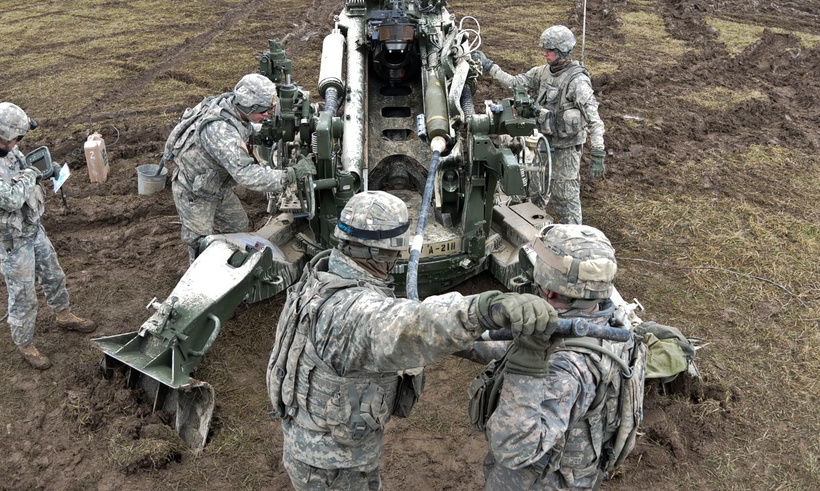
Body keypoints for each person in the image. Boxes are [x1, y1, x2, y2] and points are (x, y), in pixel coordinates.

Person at [266, 190, 558, 491]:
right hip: (333, 466)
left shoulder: (324, 274)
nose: (399, 258)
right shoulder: (354, 314)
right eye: (396, 252)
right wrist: (484, 308)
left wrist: (502, 347)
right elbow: (413, 327)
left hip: (321, 446)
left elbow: (402, 327)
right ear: (379, 253)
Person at [477, 223, 640, 490]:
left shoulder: (563, 366)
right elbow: (505, 349)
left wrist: (527, 361)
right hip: (578, 471)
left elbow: (514, 448)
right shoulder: (610, 324)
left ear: (550, 288)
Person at [0, 102, 96, 371]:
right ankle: (25, 344)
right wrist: (33, 174)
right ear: (5, 136)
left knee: (53, 275)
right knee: (23, 295)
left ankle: (64, 315)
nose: (21, 142)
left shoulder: (11, 151)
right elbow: (10, 199)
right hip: (12, 240)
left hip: (32, 227)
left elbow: (26, 168)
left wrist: (48, 169)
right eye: (19, 137)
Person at [164, 73, 315, 262]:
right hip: (195, 192)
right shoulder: (220, 131)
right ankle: (204, 280)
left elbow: (242, 129)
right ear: (249, 107)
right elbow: (247, 175)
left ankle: (232, 261)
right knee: (199, 241)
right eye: (264, 111)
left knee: (237, 227)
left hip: (216, 184)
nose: (267, 114)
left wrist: (263, 134)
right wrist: (291, 175)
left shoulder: (231, 105)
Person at [473, 25, 605, 225]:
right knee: (534, 193)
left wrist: (598, 153)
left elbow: (594, 120)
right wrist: (489, 66)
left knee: (565, 200)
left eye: (549, 51)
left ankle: (573, 239)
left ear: (562, 52)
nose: (545, 54)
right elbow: (515, 82)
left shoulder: (577, 82)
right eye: (544, 49)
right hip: (542, 144)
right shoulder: (542, 72)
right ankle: (534, 235)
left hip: (566, 150)